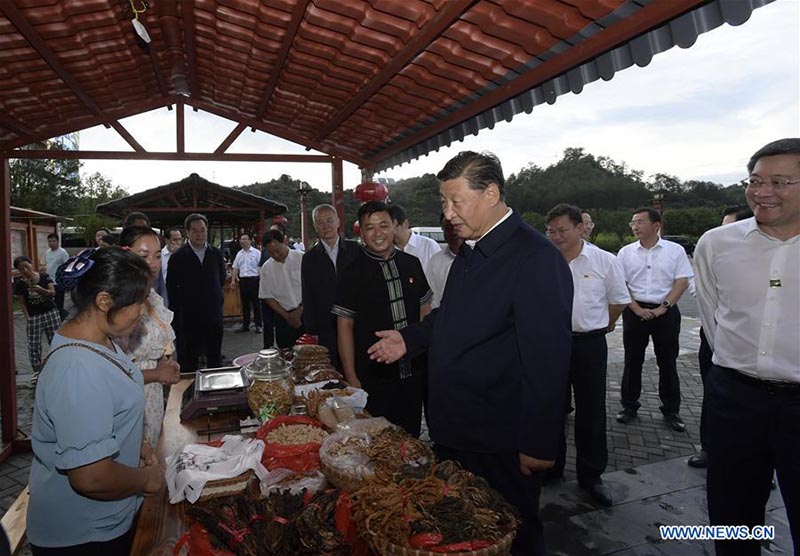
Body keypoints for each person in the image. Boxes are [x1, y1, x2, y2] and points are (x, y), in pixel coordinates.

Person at [367, 151, 572, 555]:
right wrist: (411, 339)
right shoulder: (473, 250)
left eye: (455, 201)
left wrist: (540, 443)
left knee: (512, 532)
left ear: (491, 193)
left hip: (498, 437)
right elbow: (453, 316)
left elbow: (548, 361)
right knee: (466, 531)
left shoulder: (534, 258)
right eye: (444, 202)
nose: (448, 213)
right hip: (458, 430)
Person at [694, 138, 800, 556]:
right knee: (733, 519)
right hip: (735, 400)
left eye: (780, 181)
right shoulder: (717, 244)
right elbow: (710, 316)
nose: (763, 192)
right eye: (755, 180)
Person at [27, 247, 164, 555]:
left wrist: (132, 444)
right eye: (138, 301)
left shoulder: (98, 339)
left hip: (105, 521)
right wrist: (145, 479)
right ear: (104, 301)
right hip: (82, 536)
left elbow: (106, 408)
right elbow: (91, 477)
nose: (143, 311)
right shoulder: (77, 369)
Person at [544, 204, 630, 506]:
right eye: (551, 231)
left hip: (589, 345)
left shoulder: (604, 261)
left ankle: (591, 475)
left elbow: (618, 300)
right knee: (550, 407)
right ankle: (550, 466)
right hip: (550, 345)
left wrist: (604, 324)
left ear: (581, 228)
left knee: (591, 410)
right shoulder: (541, 261)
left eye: (562, 230)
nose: (555, 236)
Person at [333, 201, 432, 437]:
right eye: (370, 227)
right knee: (376, 441)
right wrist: (351, 376)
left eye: (384, 225)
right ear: (362, 233)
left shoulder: (412, 264)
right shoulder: (351, 272)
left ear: (394, 227)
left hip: (413, 370)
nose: (378, 233)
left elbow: (425, 311)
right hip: (372, 375)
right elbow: (344, 326)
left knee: (410, 436)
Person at [615, 207, 693, 432]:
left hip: (666, 313)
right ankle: (629, 406)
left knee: (667, 362)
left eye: (639, 222)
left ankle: (671, 410)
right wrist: (636, 308)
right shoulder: (625, 252)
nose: (634, 226)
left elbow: (681, 281)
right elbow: (622, 284)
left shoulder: (674, 250)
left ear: (655, 225)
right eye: (632, 222)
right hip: (634, 312)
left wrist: (663, 307)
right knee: (633, 360)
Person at [688, 205, 754, 468]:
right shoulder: (717, 255)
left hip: (755, 346)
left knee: (755, 406)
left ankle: (759, 459)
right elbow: (701, 294)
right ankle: (709, 448)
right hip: (714, 338)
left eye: (729, 228)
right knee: (714, 394)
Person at [117, 226, 181, 447]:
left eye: (157, 256)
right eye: (143, 256)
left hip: (153, 395)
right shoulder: (116, 305)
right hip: (128, 400)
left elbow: (161, 343)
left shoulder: (151, 296)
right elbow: (110, 374)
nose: (152, 264)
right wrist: (157, 373)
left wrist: (165, 362)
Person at [300, 204, 360, 366]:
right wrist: (312, 331)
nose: (326, 225)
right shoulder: (309, 258)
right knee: (332, 374)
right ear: (315, 227)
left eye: (329, 220)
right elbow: (308, 296)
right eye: (320, 222)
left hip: (357, 325)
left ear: (338, 222)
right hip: (326, 327)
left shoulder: (357, 250)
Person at [166, 213, 225, 372]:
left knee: (215, 358)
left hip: (213, 316)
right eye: (195, 231)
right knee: (188, 359)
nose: (200, 234)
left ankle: (214, 392)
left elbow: (221, 280)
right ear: (187, 232)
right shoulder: (178, 257)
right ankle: (188, 394)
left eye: (203, 230)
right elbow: (171, 288)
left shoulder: (216, 254)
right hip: (188, 319)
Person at [13, 256, 62, 383]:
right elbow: (22, 303)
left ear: (31, 264)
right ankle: (38, 371)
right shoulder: (20, 284)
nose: (25, 270)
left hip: (50, 312)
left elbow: (53, 293)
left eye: (26, 266)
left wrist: (41, 290)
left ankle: (58, 368)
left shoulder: (43, 276)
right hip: (34, 316)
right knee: (34, 345)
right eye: (21, 269)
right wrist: (27, 317)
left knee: (56, 341)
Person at [259, 229, 304, 348]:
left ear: (284, 241)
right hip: (283, 318)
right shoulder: (266, 268)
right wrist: (287, 316)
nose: (276, 255)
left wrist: (300, 310)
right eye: (271, 253)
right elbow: (267, 296)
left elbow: (313, 288)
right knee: (286, 353)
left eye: (277, 250)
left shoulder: (302, 259)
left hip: (306, 314)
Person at [425, 213, 463, 309]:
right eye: (448, 228)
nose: (453, 232)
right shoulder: (436, 262)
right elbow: (433, 300)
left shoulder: (479, 258)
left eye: (456, 226)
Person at [389, 204, 442, 272]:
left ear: (405, 223)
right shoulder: (387, 251)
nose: (391, 233)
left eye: (394, 228)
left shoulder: (429, 246)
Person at [231, 233, 263, 334]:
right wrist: (233, 280)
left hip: (254, 280)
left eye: (245, 239)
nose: (242, 241)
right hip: (243, 281)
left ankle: (258, 325)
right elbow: (235, 268)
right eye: (241, 239)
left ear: (250, 241)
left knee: (256, 304)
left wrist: (262, 280)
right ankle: (246, 325)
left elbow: (260, 267)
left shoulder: (257, 253)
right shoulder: (239, 254)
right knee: (245, 304)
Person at [45, 233, 69, 320]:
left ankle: (60, 318)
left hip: (58, 281)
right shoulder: (47, 252)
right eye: (49, 241)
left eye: (53, 241)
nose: (51, 243)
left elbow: (67, 266)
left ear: (58, 242)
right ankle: (52, 317)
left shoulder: (62, 253)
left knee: (59, 301)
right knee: (50, 301)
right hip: (49, 281)